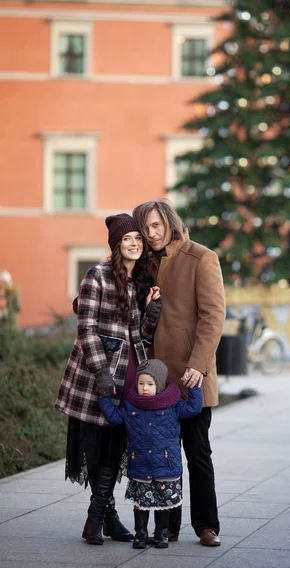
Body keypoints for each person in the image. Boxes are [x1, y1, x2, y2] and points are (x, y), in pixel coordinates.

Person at [55, 213, 162, 546]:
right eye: (127, 239)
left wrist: (151, 312)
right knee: (101, 449)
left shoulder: (138, 283)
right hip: (97, 376)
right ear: (117, 245)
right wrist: (101, 370)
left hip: (130, 374)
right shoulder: (96, 276)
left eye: (138, 239)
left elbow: (139, 338)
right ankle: (97, 521)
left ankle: (103, 518)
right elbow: (85, 328)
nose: (133, 244)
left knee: (115, 449)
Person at [133, 200, 225, 547]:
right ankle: (167, 524)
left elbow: (213, 317)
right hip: (156, 380)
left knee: (198, 452)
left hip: (192, 376)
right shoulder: (146, 264)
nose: (151, 233)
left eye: (157, 225)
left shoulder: (202, 257)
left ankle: (206, 525)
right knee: (163, 453)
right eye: (146, 228)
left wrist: (197, 365)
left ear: (170, 222)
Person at [98, 359, 203, 550]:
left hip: (166, 465)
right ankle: (141, 533)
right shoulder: (132, 406)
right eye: (141, 383)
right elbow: (114, 417)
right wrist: (103, 397)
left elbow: (193, 408)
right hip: (141, 464)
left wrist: (195, 386)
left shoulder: (172, 405)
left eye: (150, 384)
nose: (145, 388)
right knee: (141, 503)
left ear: (160, 385)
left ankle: (161, 533)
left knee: (164, 504)